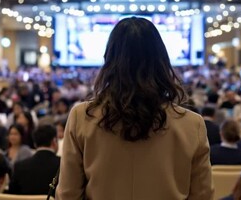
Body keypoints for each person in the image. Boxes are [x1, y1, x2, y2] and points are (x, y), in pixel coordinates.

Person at [56, 17, 213, 200]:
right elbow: (202, 195)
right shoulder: (192, 124)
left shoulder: (82, 117)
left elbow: (68, 194)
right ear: (162, 61)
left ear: (109, 61)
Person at [9, 125, 60, 195]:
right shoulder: (62, 165)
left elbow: (12, 195)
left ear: (35, 144)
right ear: (54, 141)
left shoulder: (19, 166)